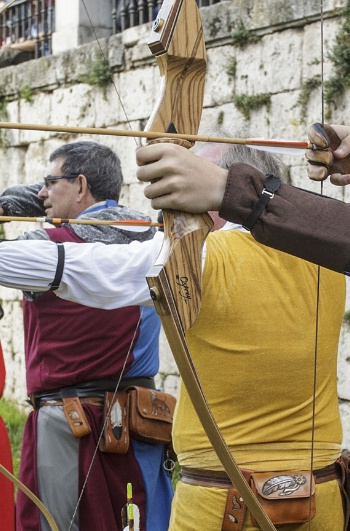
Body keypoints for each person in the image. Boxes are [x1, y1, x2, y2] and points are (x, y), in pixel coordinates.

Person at [0, 139, 347, 529]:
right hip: (322, 498)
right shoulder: (329, 260)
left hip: (224, 505)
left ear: (220, 189)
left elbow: (73, 266)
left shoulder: (199, 258)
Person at [0, 140, 173, 531]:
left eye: (48, 183)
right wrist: (49, 198)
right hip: (140, 424)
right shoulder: (155, 238)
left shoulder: (43, 247)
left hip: (67, 429)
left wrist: (10, 204)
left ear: (80, 186)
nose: (42, 193)